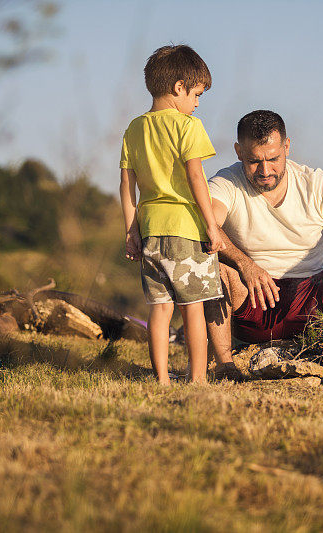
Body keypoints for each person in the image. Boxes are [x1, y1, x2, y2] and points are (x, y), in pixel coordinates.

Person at [205, 110, 323, 379]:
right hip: (251, 297)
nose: (265, 170)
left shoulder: (317, 182)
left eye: (273, 159)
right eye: (254, 161)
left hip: (314, 294)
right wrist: (246, 265)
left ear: (287, 146)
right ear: (238, 151)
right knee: (207, 262)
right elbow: (208, 227)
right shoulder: (224, 182)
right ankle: (225, 365)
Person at [119, 45, 226, 385]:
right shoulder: (189, 126)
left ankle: (162, 379)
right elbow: (196, 178)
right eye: (197, 94)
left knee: (160, 309)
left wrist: (131, 232)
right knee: (193, 307)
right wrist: (212, 225)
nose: (196, 103)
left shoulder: (134, 129)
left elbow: (126, 187)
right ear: (179, 87)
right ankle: (197, 379)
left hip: (151, 231)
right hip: (185, 229)